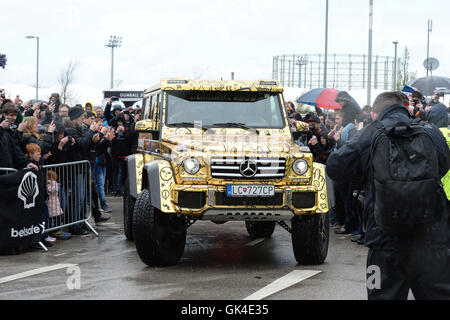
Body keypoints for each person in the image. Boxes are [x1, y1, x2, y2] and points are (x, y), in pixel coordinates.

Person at [326, 91, 450, 300]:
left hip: (383, 243)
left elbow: (335, 167)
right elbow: (444, 166)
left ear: (375, 113)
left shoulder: (370, 133)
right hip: (433, 241)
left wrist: (366, 173)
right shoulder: (431, 131)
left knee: (380, 296)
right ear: (406, 107)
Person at [0, 103, 37, 171]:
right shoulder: (3, 128)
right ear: (4, 115)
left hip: (9, 169)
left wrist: (27, 162)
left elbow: (15, 147)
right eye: (11, 115)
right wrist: (19, 131)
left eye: (15, 115)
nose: (14, 118)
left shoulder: (9, 129)